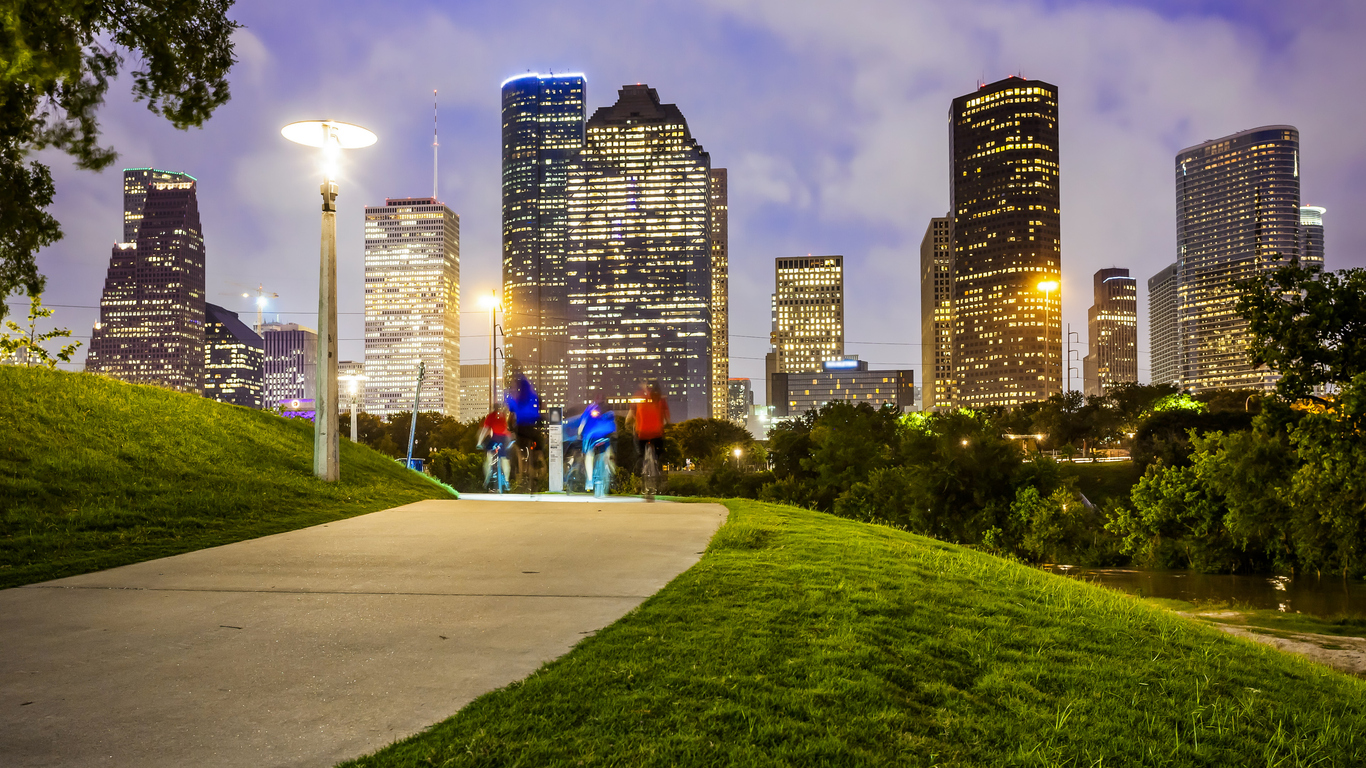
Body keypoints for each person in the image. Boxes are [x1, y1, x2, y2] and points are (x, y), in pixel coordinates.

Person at [504, 372, 542, 486]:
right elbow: (539, 408)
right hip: (532, 428)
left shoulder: (514, 399)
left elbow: (511, 416)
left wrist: (510, 428)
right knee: (539, 446)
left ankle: (523, 472)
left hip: (520, 429)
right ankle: (537, 462)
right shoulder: (533, 396)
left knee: (520, 451)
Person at [627, 381, 670, 473]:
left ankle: (639, 467)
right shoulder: (661, 399)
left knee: (639, 453)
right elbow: (668, 419)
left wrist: (630, 424)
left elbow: (629, 418)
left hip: (642, 434)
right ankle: (658, 464)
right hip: (657, 434)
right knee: (661, 451)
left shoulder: (638, 397)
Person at [579, 401, 616, 496]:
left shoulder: (590, 408)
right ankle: (609, 470)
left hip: (591, 437)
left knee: (589, 454)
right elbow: (613, 428)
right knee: (607, 454)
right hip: (605, 436)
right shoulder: (609, 412)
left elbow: (582, 425)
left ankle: (590, 480)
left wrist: (579, 434)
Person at [476, 406, 512, 491]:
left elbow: (484, 430)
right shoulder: (503, 415)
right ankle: (507, 480)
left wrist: (479, 442)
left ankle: (487, 478)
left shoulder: (490, 416)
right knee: (504, 459)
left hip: (495, 438)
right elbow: (506, 430)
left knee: (489, 457)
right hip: (504, 438)